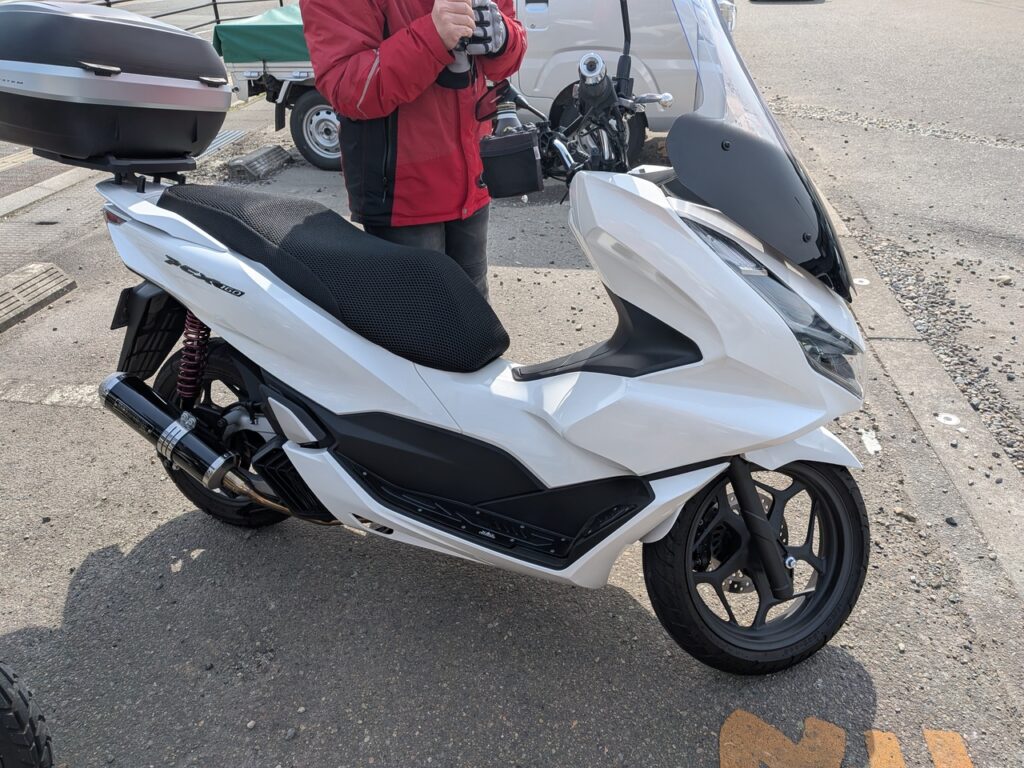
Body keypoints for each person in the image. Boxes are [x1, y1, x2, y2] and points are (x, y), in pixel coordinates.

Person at [301, 0, 527, 298]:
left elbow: (504, 60)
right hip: (401, 196)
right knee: (419, 317)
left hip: (473, 181)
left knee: (474, 311)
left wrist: (505, 38)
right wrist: (432, 36)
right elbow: (347, 87)